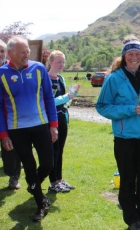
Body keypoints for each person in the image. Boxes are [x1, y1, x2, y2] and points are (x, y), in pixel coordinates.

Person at [96, 35, 140, 230]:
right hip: (124, 140)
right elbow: (102, 106)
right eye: (130, 53)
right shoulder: (114, 78)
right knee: (128, 179)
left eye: (137, 53)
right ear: (124, 56)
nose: (134, 57)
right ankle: (132, 220)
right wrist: (129, 109)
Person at [0, 36, 58, 222]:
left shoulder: (39, 69)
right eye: (22, 52)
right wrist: (3, 135)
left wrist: (54, 125)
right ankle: (41, 203)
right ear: (10, 53)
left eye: (27, 51)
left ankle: (34, 186)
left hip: (41, 126)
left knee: (48, 164)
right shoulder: (1, 74)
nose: (27, 55)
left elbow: (49, 98)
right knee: (30, 167)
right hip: (17, 130)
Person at [46, 50, 80, 193]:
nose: (61, 65)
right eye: (59, 61)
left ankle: (59, 179)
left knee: (60, 150)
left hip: (62, 118)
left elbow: (64, 100)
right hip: (51, 120)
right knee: (53, 151)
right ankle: (53, 183)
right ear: (50, 62)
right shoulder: (46, 79)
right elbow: (49, 102)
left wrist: (71, 95)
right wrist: (67, 97)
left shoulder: (61, 78)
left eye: (63, 62)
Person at [0, 39, 22, 190]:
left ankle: (14, 177)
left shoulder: (12, 69)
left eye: (1, 50)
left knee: (11, 149)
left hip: (8, 117)